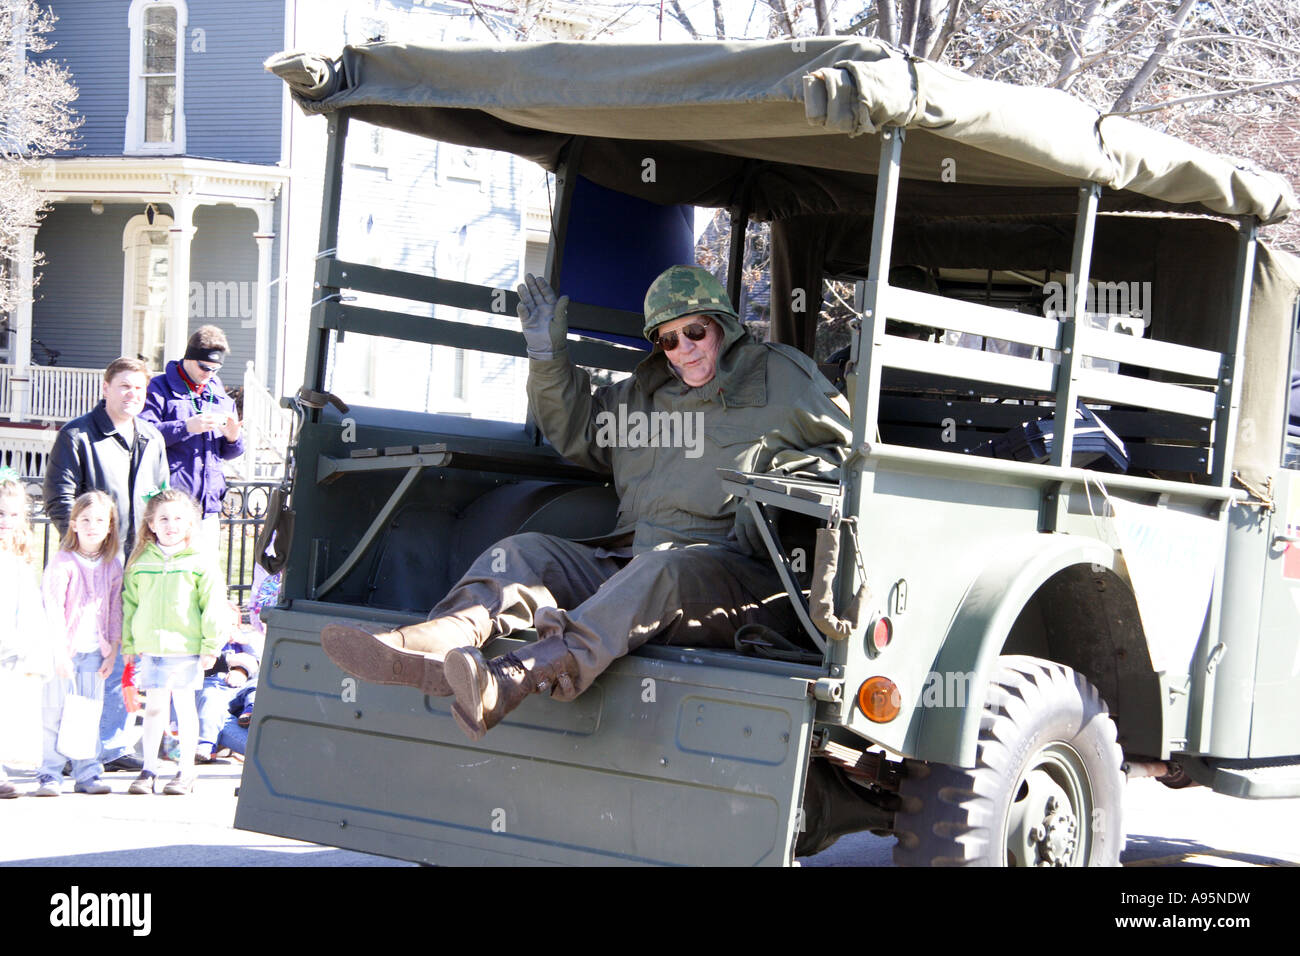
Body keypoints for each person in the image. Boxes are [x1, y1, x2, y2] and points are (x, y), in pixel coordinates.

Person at [322, 265, 852, 741]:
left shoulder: (780, 378)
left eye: (695, 331)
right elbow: (577, 432)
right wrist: (547, 357)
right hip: (634, 558)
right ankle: (433, 644)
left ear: (722, 326)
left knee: (660, 573)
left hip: (732, 570)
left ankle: (515, 678)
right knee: (525, 554)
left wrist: (790, 474)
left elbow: (853, 457)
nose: (684, 348)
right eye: (668, 340)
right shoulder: (642, 397)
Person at [43, 356, 168, 774]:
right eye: (124, 387)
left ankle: (111, 745)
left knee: (118, 649)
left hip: (136, 563)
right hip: (89, 565)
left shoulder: (152, 437)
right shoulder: (78, 435)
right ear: (106, 387)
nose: (133, 395)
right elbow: (59, 499)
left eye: (139, 388)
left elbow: (161, 498)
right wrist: (88, 551)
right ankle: (74, 750)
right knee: (83, 658)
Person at [121, 489, 225, 795]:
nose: (171, 524)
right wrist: (128, 643)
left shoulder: (200, 560)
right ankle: (149, 768)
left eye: (179, 518)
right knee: (154, 709)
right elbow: (130, 605)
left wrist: (210, 645)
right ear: (151, 524)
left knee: (184, 708)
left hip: (186, 649)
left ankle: (185, 772)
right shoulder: (140, 561)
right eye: (163, 518)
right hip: (151, 649)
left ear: (190, 523)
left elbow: (213, 604)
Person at [33, 491, 122, 797]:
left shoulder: (112, 565)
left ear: (110, 526)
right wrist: (59, 653)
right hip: (63, 652)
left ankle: (88, 772)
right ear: (73, 524)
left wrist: (112, 649)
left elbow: (114, 610)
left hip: (95, 653)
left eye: (100, 520)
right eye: (85, 519)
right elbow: (53, 609)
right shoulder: (63, 562)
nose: (92, 525)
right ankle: (49, 774)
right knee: (54, 712)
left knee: (88, 712)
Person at [139, 325, 244, 554]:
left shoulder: (219, 394)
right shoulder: (159, 388)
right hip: (169, 510)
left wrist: (234, 438)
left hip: (208, 509)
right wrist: (186, 427)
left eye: (215, 369)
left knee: (204, 579)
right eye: (204, 367)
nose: (209, 374)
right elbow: (142, 434)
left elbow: (230, 452)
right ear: (188, 358)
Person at [0, 471, 48, 797]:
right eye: (1, 513)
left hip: (11, 643)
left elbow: (27, 600)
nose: (7, 520)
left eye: (14, 514)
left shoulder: (19, 552)